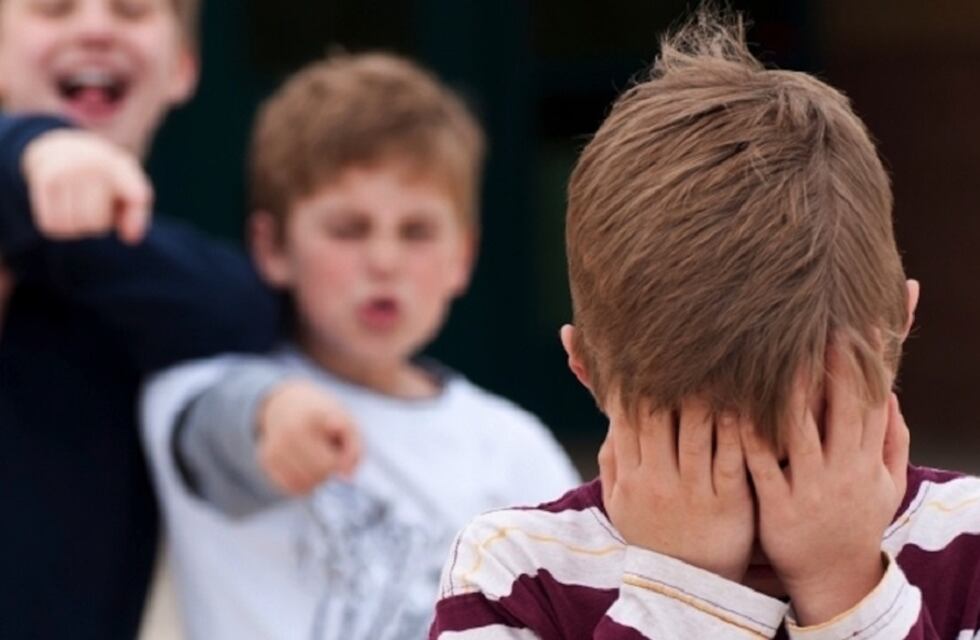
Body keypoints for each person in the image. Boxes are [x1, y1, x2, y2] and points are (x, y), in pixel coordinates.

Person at [429, 11, 980, 640]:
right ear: (585, 368)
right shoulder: (514, 570)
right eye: (703, 451)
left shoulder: (968, 545)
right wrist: (683, 593)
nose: (768, 516)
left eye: (804, 442)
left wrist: (848, 588)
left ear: (900, 328)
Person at [140, 52, 581, 639]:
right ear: (271, 248)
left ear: (463, 257)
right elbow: (212, 429)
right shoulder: (197, 386)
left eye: (417, 232)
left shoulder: (514, 448)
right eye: (348, 230)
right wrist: (268, 413)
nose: (384, 260)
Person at [0, 1, 281, 637]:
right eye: (54, 7)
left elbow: (240, 309)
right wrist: (33, 149)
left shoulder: (180, 283)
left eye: (130, 11)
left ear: (182, 69)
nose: (95, 27)